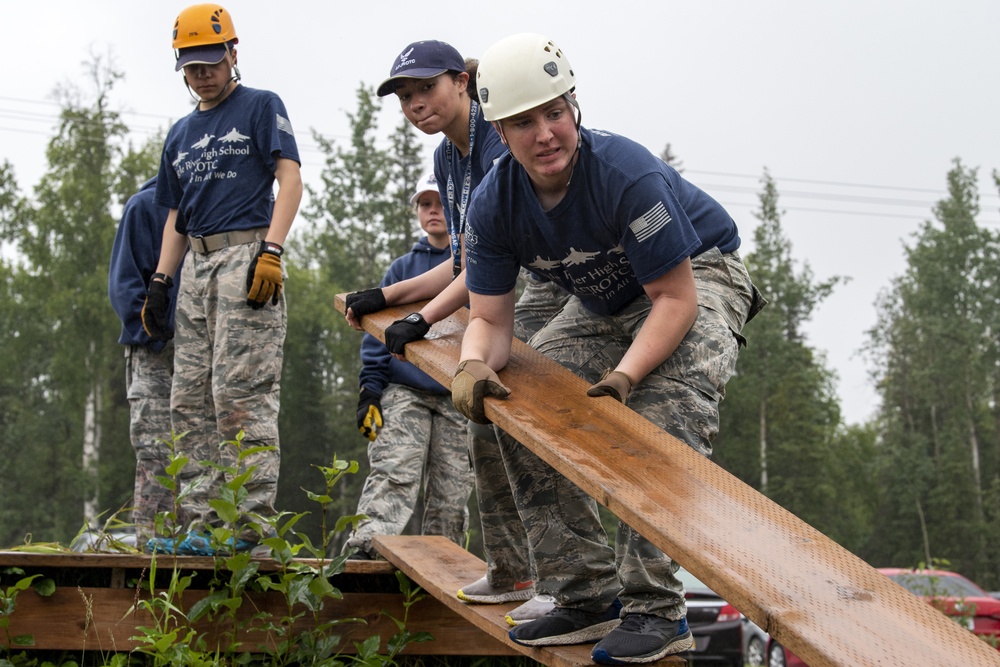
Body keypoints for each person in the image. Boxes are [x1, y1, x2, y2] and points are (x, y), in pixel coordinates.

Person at [452, 33, 764, 665]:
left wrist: (624, 377)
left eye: (555, 113)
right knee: (518, 409)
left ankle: (656, 612)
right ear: (500, 132)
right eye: (524, 122)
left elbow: (674, 300)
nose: (545, 134)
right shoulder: (492, 204)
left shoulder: (626, 174)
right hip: (607, 303)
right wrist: (473, 364)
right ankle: (583, 595)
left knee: (661, 421)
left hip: (698, 277)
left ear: (574, 108)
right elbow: (488, 317)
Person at [347, 39, 568, 614]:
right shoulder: (448, 156)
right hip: (498, 286)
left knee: (530, 429)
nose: (416, 103)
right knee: (483, 422)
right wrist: (389, 295)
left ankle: (564, 586)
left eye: (427, 88)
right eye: (405, 96)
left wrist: (423, 317)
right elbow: (468, 259)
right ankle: (513, 572)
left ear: (463, 83)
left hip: (544, 284)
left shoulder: (499, 139)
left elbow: (496, 261)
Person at [141, 3, 302, 556]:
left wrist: (272, 251)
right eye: (192, 66)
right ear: (180, 67)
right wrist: (161, 281)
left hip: (245, 257)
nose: (204, 73)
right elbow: (175, 216)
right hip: (195, 268)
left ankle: (249, 526)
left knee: (241, 397)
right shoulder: (181, 133)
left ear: (233, 54)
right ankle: (204, 523)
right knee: (188, 400)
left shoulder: (259, 106)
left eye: (212, 61)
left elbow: (290, 178)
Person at [344, 171, 474, 559]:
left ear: (456, 211)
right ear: (417, 211)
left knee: (453, 490)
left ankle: (444, 561)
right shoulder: (404, 268)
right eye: (425, 204)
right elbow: (376, 332)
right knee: (394, 470)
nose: (433, 211)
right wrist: (370, 389)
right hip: (406, 390)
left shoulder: (479, 265)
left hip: (457, 395)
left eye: (440, 204)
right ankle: (366, 549)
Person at [108, 177, 177, 549]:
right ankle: (152, 546)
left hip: (199, 352)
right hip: (152, 350)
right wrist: (158, 328)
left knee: (201, 452)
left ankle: (199, 546)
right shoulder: (144, 206)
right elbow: (123, 288)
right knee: (156, 452)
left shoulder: (210, 212)